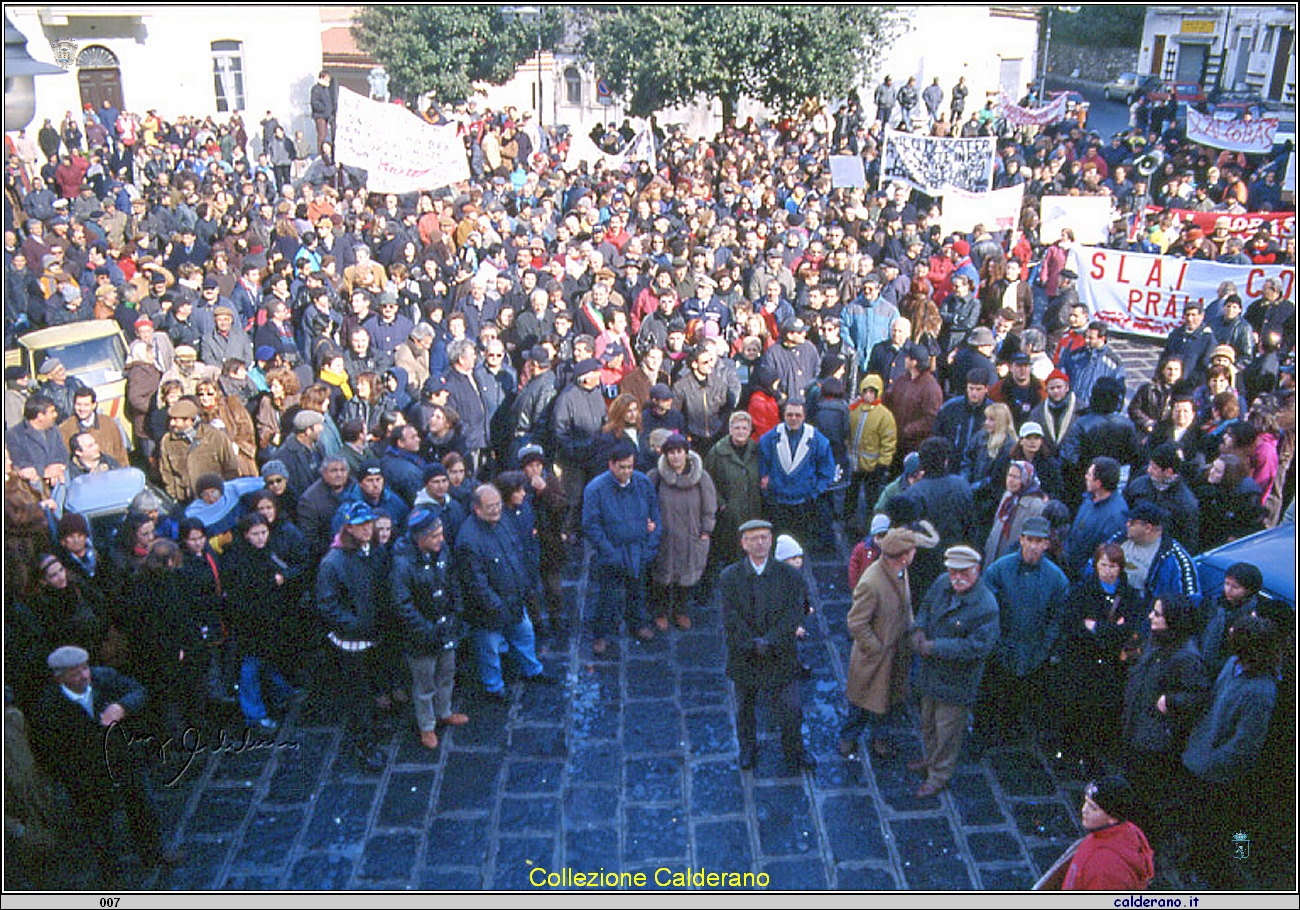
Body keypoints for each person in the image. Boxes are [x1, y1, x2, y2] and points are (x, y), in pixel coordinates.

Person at [28, 646, 183, 885]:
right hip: (86, 772)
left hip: (122, 758)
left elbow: (138, 691)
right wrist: (71, 780)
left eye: (84, 668)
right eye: (74, 673)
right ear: (59, 677)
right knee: (99, 826)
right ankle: (111, 874)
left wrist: (122, 706)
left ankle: (153, 853)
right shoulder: (50, 707)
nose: (83, 676)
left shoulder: (104, 678)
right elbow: (50, 751)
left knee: (142, 806)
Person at [720, 519, 817, 775]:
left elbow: (794, 612)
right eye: (753, 538)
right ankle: (748, 749)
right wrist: (753, 642)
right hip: (745, 654)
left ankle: (794, 751)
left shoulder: (790, 576)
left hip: (780, 653)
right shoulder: (730, 577)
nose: (759, 543)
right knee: (744, 709)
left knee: (791, 709)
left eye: (764, 537)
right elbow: (730, 617)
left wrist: (770, 640)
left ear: (771, 540)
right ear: (743, 544)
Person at [907, 545, 999, 799]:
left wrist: (934, 646)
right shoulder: (941, 583)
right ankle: (930, 759)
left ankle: (939, 775)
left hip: (957, 681)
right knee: (927, 723)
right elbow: (925, 607)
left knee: (948, 731)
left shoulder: (986, 606)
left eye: (964, 572)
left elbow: (976, 647)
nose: (957, 577)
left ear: (977, 570)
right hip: (930, 674)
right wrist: (919, 630)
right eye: (952, 571)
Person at [976, 517, 1069, 744]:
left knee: (1021, 705)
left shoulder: (1057, 579)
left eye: (1039, 541)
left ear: (1047, 544)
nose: (1033, 546)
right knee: (988, 700)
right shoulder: (998, 570)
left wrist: (1043, 650)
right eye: (1029, 540)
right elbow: (988, 613)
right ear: (1021, 540)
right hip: (1000, 650)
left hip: (1034, 653)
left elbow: (1057, 620)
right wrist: (997, 644)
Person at [456, 483, 556, 695]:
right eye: (490, 506)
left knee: (525, 635)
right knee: (489, 650)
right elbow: (476, 584)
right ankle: (494, 688)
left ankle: (532, 670)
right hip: (489, 610)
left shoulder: (503, 521)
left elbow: (516, 554)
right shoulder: (468, 540)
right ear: (477, 508)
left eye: (498, 504)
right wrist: (497, 606)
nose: (496, 509)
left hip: (514, 599)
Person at [316, 501, 392, 772]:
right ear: (348, 527)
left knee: (374, 684)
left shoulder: (375, 552)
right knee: (358, 694)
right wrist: (357, 624)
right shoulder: (333, 562)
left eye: (369, 524)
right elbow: (327, 605)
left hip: (375, 634)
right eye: (361, 525)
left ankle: (373, 727)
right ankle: (364, 745)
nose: (367, 529)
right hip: (352, 641)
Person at [391, 509, 468, 750]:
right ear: (419, 538)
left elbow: (452, 580)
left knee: (447, 673)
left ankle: (444, 711)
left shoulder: (442, 551)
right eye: (435, 536)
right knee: (424, 684)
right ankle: (427, 725)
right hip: (421, 637)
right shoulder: (403, 565)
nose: (441, 540)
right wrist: (426, 630)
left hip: (446, 628)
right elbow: (403, 604)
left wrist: (456, 610)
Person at [840, 528, 918, 761]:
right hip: (874, 658)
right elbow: (856, 622)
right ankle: (848, 738)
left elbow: (906, 605)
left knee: (887, 702)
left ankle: (880, 738)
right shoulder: (872, 582)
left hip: (896, 653)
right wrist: (876, 648)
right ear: (904, 555)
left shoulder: (901, 572)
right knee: (861, 703)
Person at [583, 440, 662, 654]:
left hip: (638, 550)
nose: (627, 472)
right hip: (611, 553)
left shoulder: (643, 483)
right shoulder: (596, 489)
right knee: (606, 597)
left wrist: (649, 546)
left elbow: (655, 515)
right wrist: (610, 552)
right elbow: (591, 526)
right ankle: (600, 634)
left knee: (637, 592)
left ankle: (637, 624)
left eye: (630, 467)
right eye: (622, 467)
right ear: (611, 465)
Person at [648, 433, 717, 632]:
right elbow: (646, 502)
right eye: (671, 452)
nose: (676, 457)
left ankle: (680, 611)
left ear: (686, 454)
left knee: (686, 578)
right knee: (662, 577)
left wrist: (706, 530)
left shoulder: (701, 477)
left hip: (691, 536)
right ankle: (661, 612)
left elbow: (709, 506)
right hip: (665, 538)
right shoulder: (656, 477)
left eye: (679, 452)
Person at [757, 398, 836, 550]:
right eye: (790, 415)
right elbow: (761, 465)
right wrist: (768, 487)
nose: (793, 419)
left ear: (804, 416)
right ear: (784, 416)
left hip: (804, 505)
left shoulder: (817, 440)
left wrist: (815, 491)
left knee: (800, 547)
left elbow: (827, 470)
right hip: (778, 504)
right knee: (779, 547)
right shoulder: (769, 438)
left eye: (797, 415)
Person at [1056, 776, 1155, 891]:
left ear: (1113, 818)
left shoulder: (1106, 871)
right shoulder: (1125, 831)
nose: (1084, 810)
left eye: (1093, 808)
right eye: (1086, 802)